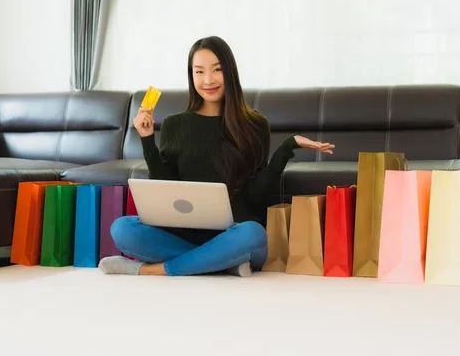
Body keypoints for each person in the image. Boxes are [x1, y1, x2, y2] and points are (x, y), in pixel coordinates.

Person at [98, 36, 334, 277]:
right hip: (184, 232)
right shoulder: (174, 124)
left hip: (236, 234)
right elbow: (165, 183)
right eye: (199, 72)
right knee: (122, 228)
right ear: (191, 76)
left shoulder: (254, 124)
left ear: (230, 72)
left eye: (217, 70)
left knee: (254, 234)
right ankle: (222, 262)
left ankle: (151, 270)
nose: (208, 80)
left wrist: (287, 147)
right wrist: (147, 140)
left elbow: (257, 196)